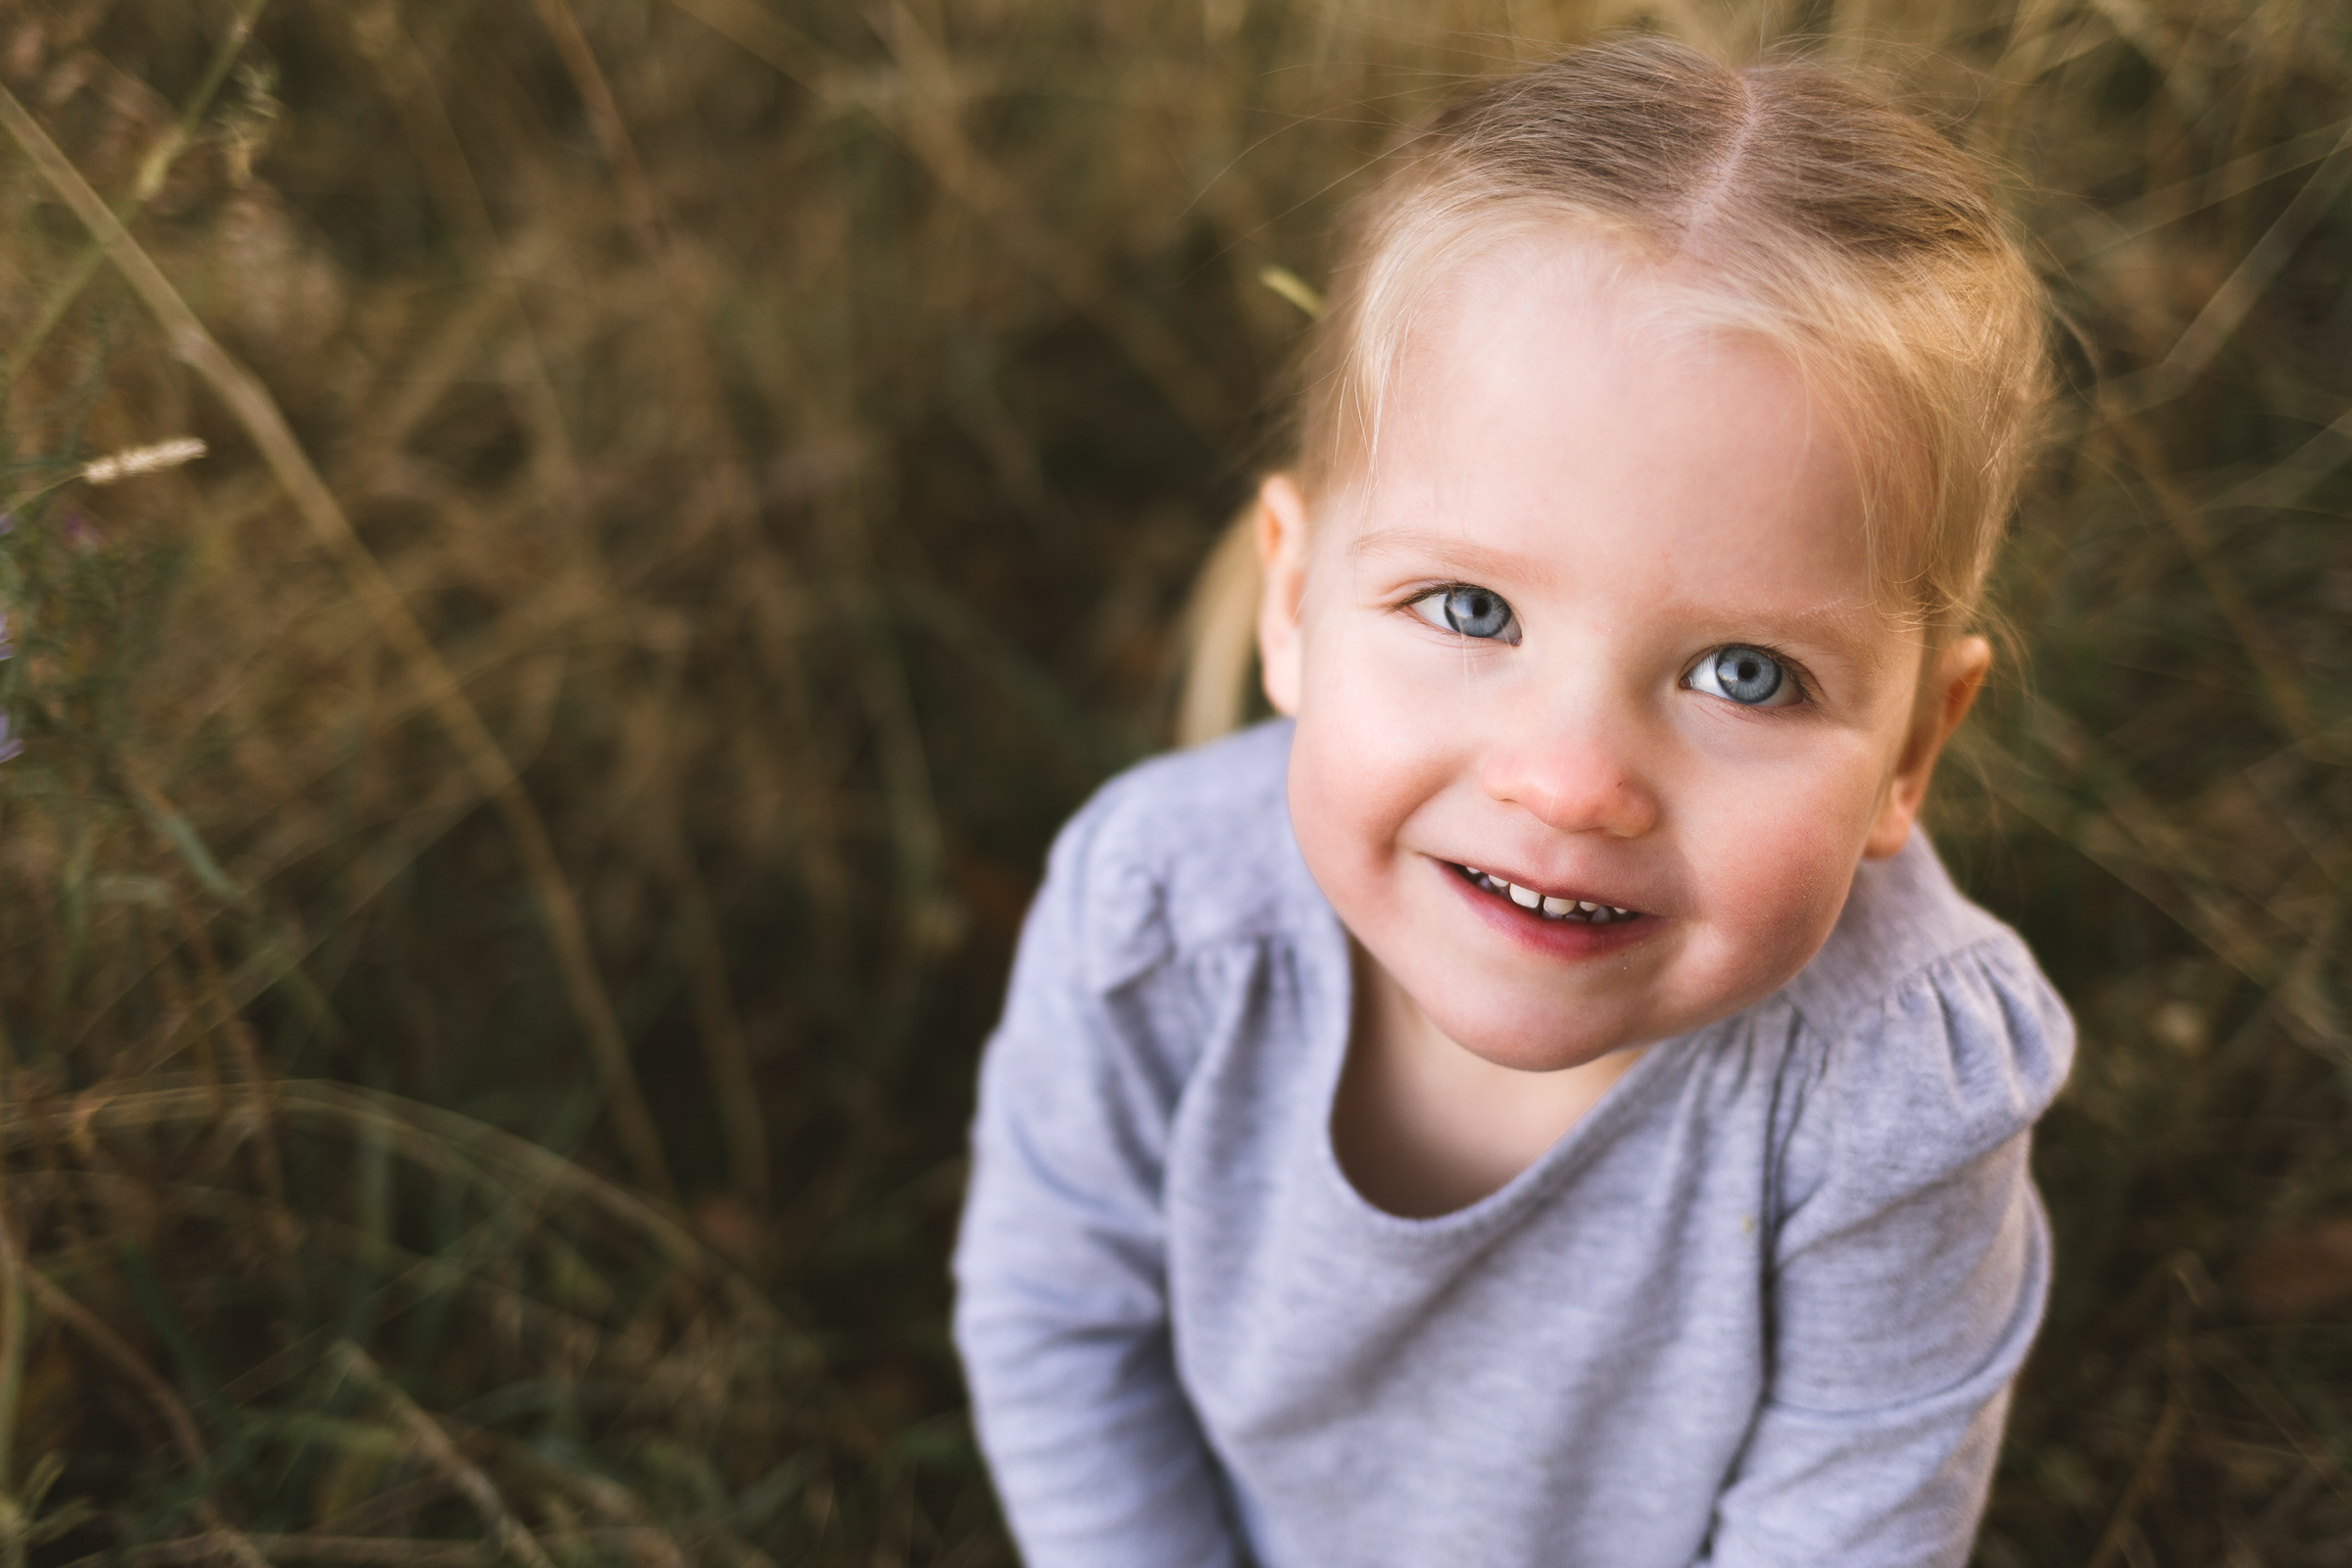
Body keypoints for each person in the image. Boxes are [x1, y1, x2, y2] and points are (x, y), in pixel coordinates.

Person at [952, 34, 2074, 1568]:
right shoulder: (1161, 921)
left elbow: (1846, 1526)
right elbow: (1059, 1326)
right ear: (1295, 601)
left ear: (1910, 753)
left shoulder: (1888, 1097)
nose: (1573, 782)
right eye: (1471, 612)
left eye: (1744, 675)